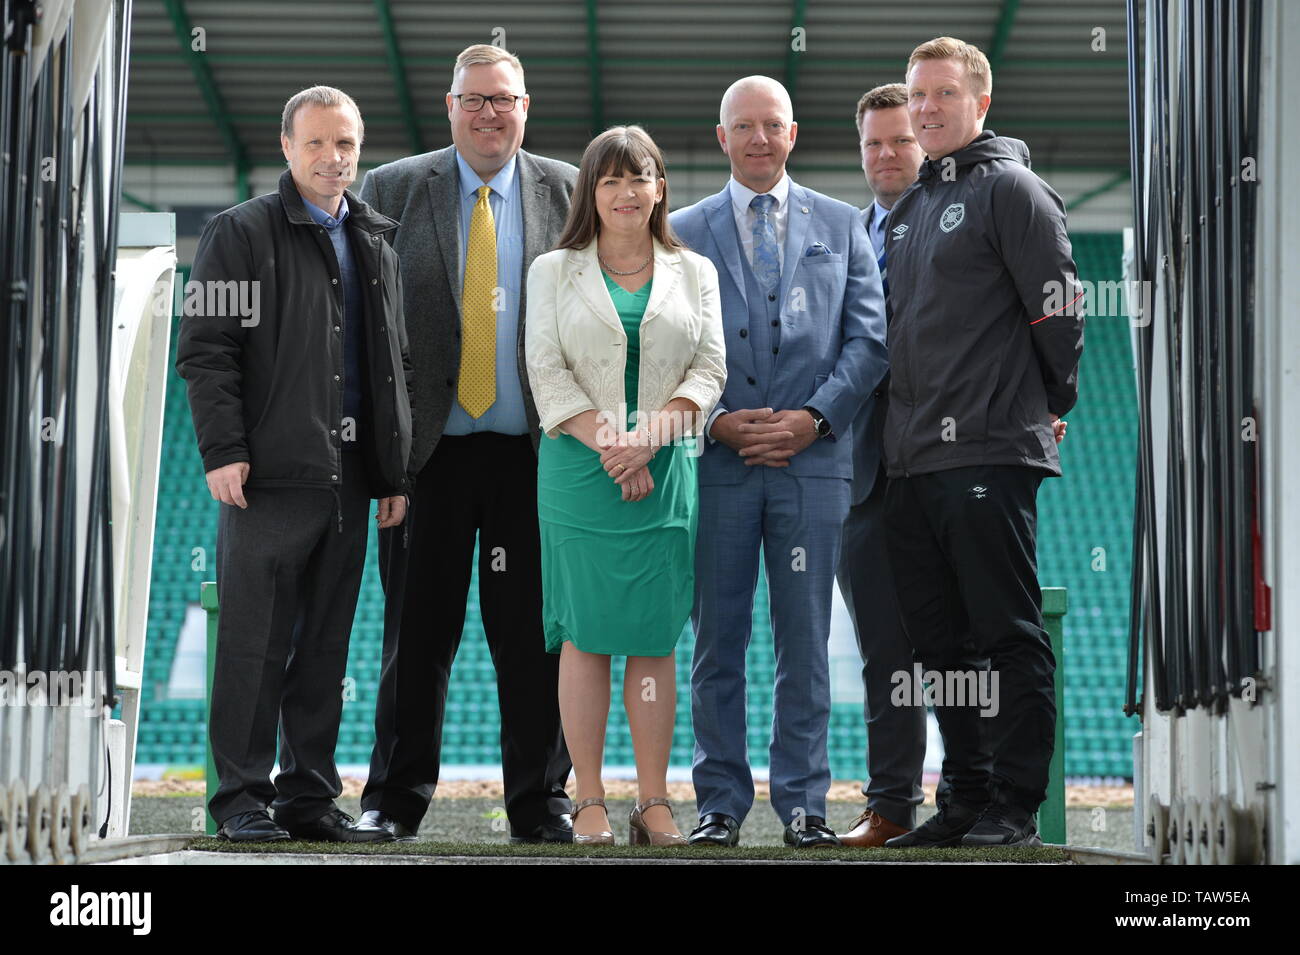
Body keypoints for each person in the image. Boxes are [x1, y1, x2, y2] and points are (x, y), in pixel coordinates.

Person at [354, 45, 578, 844]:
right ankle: (393, 797)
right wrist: (382, 457)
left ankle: (541, 802)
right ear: (450, 106)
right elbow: (370, 336)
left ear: (527, 105)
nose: (490, 114)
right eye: (475, 100)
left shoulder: (569, 189)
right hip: (428, 460)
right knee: (416, 637)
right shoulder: (390, 188)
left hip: (536, 456)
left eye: (505, 99)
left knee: (533, 640)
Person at [177, 86, 412, 843]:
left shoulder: (375, 237)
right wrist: (224, 450)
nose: (331, 158)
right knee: (255, 642)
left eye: (344, 143)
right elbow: (207, 352)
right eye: (315, 143)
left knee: (323, 649)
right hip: (268, 477)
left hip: (348, 478)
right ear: (286, 147)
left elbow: (392, 364)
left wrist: (392, 470)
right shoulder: (239, 233)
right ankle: (239, 799)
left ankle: (307, 796)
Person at [671, 76, 888, 848]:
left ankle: (803, 802)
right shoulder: (683, 229)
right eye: (744, 127)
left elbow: (869, 342)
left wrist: (813, 418)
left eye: (772, 126)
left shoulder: (841, 223)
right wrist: (719, 421)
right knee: (714, 642)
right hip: (717, 462)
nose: (759, 139)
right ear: (721, 136)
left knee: (805, 642)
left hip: (814, 462)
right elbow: (666, 346)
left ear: (793, 134)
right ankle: (719, 802)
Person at [880, 37, 1084, 848]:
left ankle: (1016, 801)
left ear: (980, 102)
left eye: (943, 93)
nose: (926, 107)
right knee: (940, 642)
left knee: (1005, 630)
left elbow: (1061, 310)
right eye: (916, 95)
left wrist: (1044, 399)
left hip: (988, 452)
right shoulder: (908, 211)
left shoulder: (1012, 189)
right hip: (911, 460)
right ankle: (963, 794)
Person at [525, 125, 726, 845]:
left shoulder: (693, 270)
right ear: (590, 191)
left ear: (659, 186)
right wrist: (613, 442)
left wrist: (649, 438)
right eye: (609, 179)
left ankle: (652, 801)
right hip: (580, 467)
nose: (625, 191)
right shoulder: (553, 269)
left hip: (666, 464)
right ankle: (587, 803)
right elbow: (545, 369)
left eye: (638, 176)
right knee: (585, 635)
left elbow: (709, 369)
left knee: (653, 636)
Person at [835, 82, 943, 848]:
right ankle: (893, 805)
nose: (886, 155)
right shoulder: (844, 237)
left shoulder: (959, 222)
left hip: (946, 463)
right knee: (884, 652)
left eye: (901, 141)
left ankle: (989, 797)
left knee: (959, 647)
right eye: (873, 143)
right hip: (861, 477)